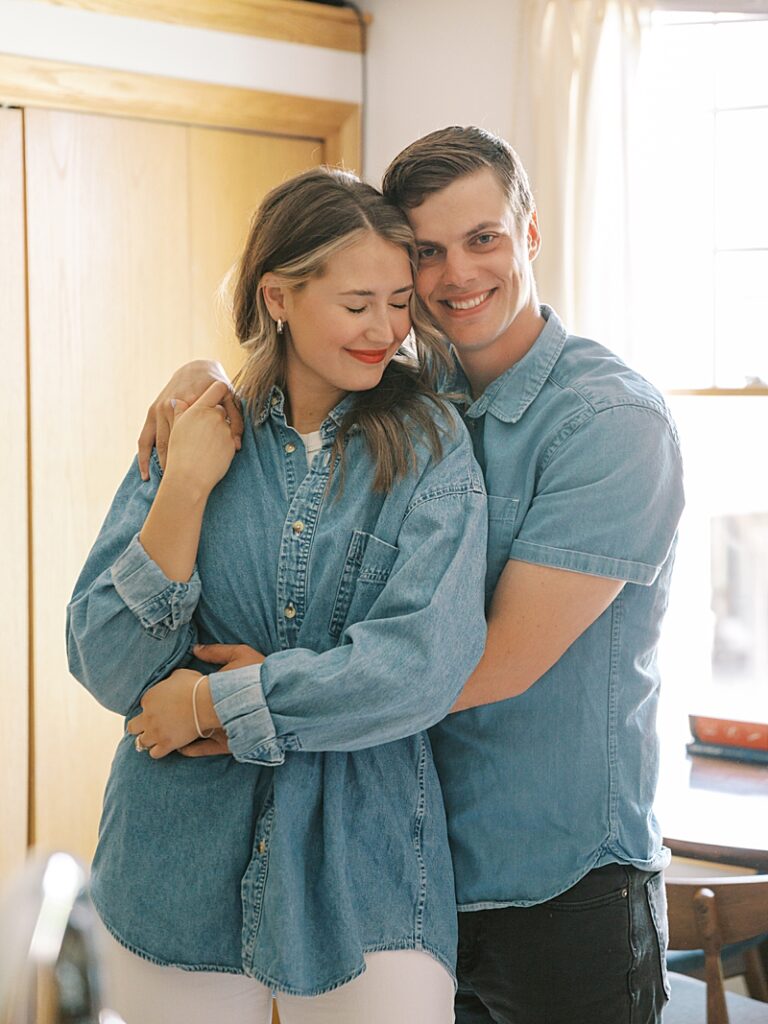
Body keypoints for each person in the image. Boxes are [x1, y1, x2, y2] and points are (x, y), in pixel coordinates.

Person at [141, 127, 685, 1024]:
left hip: (560, 887)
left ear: (532, 235)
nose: (456, 275)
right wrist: (202, 379)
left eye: (484, 239)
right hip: (399, 875)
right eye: (426, 252)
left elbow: (491, 661)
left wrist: (247, 701)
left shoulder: (609, 423)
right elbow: (292, 353)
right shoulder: (403, 395)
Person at [67, 166, 489, 1024]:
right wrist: (184, 489)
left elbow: (418, 666)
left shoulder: (429, 444)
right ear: (280, 296)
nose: (386, 330)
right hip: (172, 875)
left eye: (400, 301)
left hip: (362, 869)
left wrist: (211, 704)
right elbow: (107, 662)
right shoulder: (193, 424)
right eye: (358, 302)